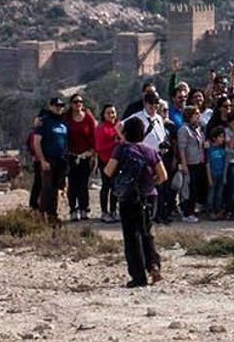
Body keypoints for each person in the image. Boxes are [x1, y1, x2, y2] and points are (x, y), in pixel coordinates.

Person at [104, 117, 167, 287]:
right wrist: (150, 183)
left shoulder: (121, 150)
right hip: (149, 196)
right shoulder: (150, 151)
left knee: (132, 237)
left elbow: (108, 171)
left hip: (128, 197)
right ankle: (153, 265)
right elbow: (163, 176)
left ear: (125, 133)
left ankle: (138, 277)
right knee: (147, 232)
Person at [30, 96, 69, 220]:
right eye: (56, 106)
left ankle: (53, 214)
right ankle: (43, 215)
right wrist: (42, 160)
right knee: (46, 189)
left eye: (61, 106)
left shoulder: (63, 122)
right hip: (48, 159)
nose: (59, 108)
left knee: (56, 189)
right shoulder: (44, 121)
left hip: (60, 160)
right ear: (51, 106)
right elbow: (36, 142)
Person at [63, 94, 98, 221]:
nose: (78, 104)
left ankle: (84, 208)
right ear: (71, 104)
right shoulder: (66, 117)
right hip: (71, 156)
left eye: (80, 101)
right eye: (75, 102)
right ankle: (73, 208)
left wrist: (93, 154)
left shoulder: (88, 117)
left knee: (84, 184)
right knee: (72, 184)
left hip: (85, 155)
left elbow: (94, 136)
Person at [95, 104, 122, 223]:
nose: (112, 115)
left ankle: (113, 210)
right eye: (109, 113)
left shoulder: (119, 126)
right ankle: (104, 212)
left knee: (116, 186)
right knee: (106, 186)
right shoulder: (101, 128)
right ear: (104, 115)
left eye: (113, 112)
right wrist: (114, 143)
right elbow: (99, 147)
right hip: (105, 161)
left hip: (118, 160)